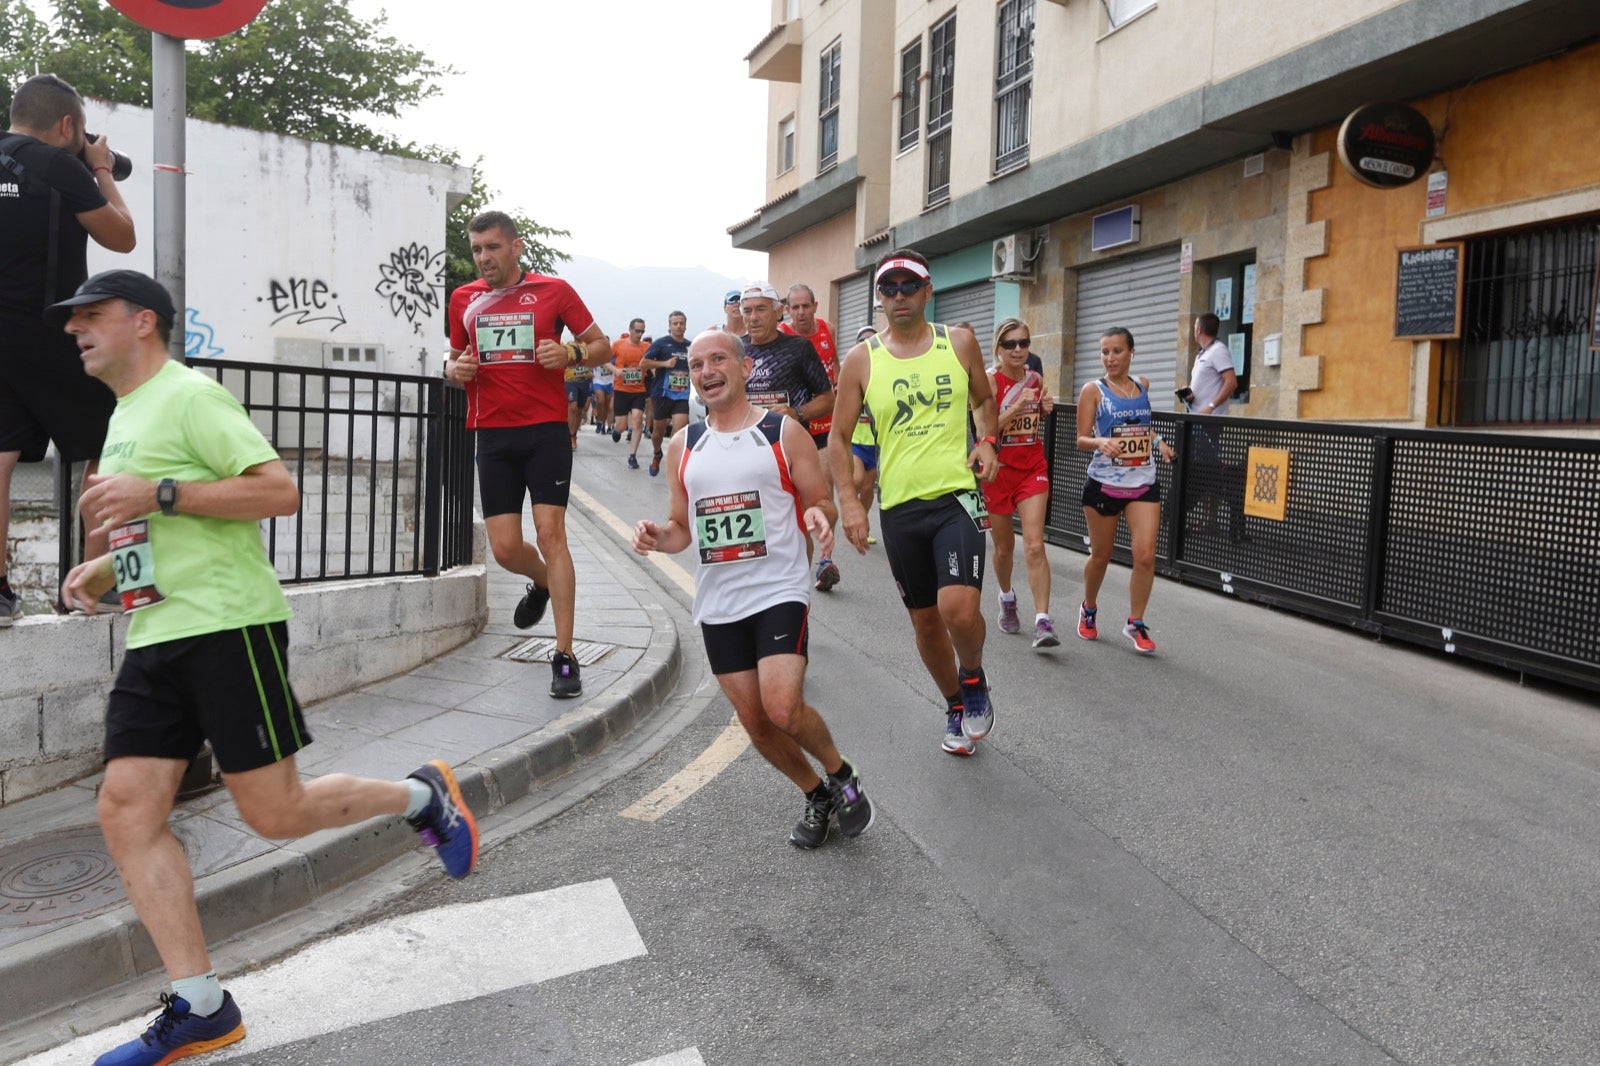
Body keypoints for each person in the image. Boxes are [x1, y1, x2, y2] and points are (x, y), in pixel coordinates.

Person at [49, 270, 478, 1066]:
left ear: (143, 322)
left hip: (228, 625)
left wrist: (159, 493)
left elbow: (277, 492)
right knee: (126, 810)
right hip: (156, 632)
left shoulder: (191, 396)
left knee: (276, 814)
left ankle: (424, 797)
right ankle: (201, 1006)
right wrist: (104, 569)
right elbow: (154, 523)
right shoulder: (125, 413)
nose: (76, 329)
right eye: (74, 320)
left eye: (92, 315)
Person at [632, 329, 872, 848]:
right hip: (720, 601)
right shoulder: (683, 446)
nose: (707, 371)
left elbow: (820, 500)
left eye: (718, 359)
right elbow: (681, 528)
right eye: (697, 365)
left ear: (744, 368)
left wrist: (819, 515)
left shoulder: (782, 432)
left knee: (782, 707)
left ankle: (840, 773)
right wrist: (657, 536)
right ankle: (816, 793)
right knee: (757, 723)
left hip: (778, 589)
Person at [828, 250, 1000, 757]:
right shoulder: (862, 359)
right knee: (925, 622)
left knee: (958, 611)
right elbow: (838, 437)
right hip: (900, 507)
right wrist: (850, 503)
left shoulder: (958, 342)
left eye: (909, 286)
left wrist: (987, 441)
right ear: (879, 298)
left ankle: (973, 677)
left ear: (928, 291)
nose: (899, 296)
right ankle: (954, 703)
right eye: (889, 288)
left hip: (956, 496)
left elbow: (984, 400)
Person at [446, 210, 609, 698]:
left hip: (545, 432)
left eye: (493, 247)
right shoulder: (463, 299)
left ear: (515, 247)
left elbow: (600, 346)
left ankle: (564, 655)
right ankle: (541, 582)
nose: (484, 258)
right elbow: (455, 359)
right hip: (493, 434)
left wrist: (571, 354)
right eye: (477, 249)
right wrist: (455, 371)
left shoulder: (553, 291)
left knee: (550, 533)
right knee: (504, 549)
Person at [1, 74, 136, 625]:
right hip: (47, 327)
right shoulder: (59, 164)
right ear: (67, 125)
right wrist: (99, 167)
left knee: (0, 456)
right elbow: (122, 236)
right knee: (111, 440)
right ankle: (92, 585)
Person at [1074, 327, 1176, 655]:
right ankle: (1089, 608)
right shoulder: (1093, 390)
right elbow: (1081, 439)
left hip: (1143, 483)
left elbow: (1141, 427)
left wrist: (1159, 443)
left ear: (1131, 352)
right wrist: (1100, 442)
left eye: (1117, 351)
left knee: (1145, 555)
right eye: (1105, 352)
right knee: (1101, 556)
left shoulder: (1142, 385)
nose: (1110, 358)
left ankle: (1136, 622)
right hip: (1104, 485)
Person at [738, 283, 835, 582]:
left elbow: (827, 398)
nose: (753, 317)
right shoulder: (734, 349)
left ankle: (796, 590)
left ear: (778, 312)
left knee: (796, 526)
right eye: (747, 311)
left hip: (789, 453)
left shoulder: (798, 348)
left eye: (761, 309)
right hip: (744, 452)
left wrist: (797, 413)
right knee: (752, 526)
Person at [985, 318, 1058, 649]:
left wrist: (1042, 409)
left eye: (1024, 343)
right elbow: (986, 427)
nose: (1018, 350)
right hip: (998, 472)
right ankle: (1007, 597)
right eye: (1010, 344)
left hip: (1032, 469)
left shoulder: (1036, 378)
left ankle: (1043, 620)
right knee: (1004, 549)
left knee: (1034, 545)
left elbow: (1034, 418)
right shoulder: (990, 380)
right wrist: (1017, 406)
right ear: (999, 348)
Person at [779, 283, 845, 591]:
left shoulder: (827, 329)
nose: (801, 312)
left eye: (806, 306)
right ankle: (791, 562)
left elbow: (835, 367)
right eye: (795, 307)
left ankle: (826, 560)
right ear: (787, 310)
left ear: (815, 306)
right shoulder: (781, 336)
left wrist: (842, 395)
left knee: (824, 495)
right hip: (792, 429)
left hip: (824, 426)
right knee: (792, 499)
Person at [1187, 312, 1245, 540]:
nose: (1193, 330)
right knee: (1203, 471)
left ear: (1199, 329)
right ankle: (1207, 519)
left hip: (1208, 424)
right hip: (1197, 421)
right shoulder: (1203, 354)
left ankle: (1210, 520)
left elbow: (1231, 382)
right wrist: (1191, 396)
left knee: (1206, 471)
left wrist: (1210, 407)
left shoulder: (1218, 350)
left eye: (1194, 326)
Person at [641, 311, 691, 476]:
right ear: (669, 326)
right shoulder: (661, 343)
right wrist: (665, 364)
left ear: (685, 325)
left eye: (681, 323)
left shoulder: (690, 346)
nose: (679, 326)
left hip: (682, 395)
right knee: (658, 434)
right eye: (675, 323)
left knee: (679, 431)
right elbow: (643, 363)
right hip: (662, 394)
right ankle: (657, 453)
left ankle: (674, 462)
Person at [848, 325, 880, 546]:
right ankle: (851, 511)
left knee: (868, 489)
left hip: (876, 443)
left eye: (872, 340)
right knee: (857, 480)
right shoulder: (852, 371)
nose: (867, 344)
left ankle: (863, 523)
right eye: (863, 341)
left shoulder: (885, 371)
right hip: (856, 441)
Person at [611, 318, 650, 468]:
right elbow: (603, 360)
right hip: (621, 390)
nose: (639, 334)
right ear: (630, 330)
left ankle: (632, 456)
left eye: (642, 331)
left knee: (637, 419)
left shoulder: (646, 347)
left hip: (639, 390)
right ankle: (616, 430)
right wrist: (615, 370)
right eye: (637, 331)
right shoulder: (618, 345)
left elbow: (653, 362)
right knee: (621, 426)